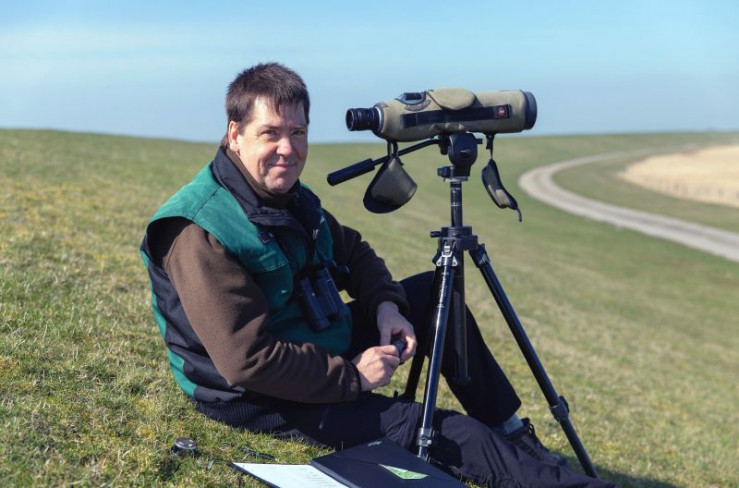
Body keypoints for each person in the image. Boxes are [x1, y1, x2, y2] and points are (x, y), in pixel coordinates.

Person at [140, 62, 617, 487]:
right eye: (271, 133)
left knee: (434, 294)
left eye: (298, 132)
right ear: (235, 134)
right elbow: (247, 361)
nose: (288, 148)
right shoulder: (198, 229)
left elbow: (354, 251)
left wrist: (387, 305)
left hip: (310, 339)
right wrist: (353, 376)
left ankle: (511, 432)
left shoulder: (284, 198)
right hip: (256, 393)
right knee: (444, 430)